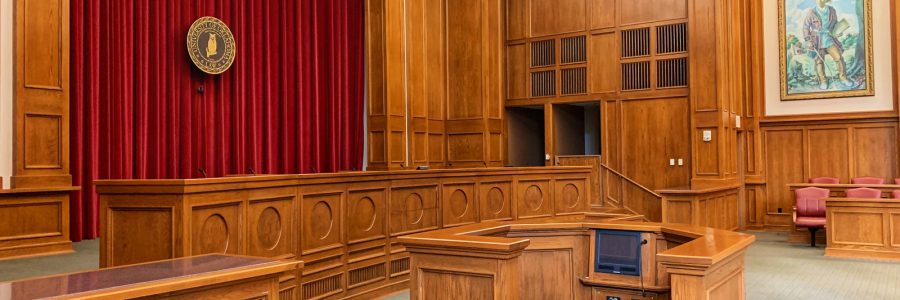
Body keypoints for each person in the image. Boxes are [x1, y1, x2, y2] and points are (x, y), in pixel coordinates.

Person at [803, 0, 854, 90]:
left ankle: (843, 78)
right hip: (817, 41)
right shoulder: (811, 12)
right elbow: (805, 27)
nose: (818, 1)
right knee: (819, 61)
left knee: (838, 57)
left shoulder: (832, 10)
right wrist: (808, 40)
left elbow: (835, 24)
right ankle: (823, 81)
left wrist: (838, 31)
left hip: (829, 39)